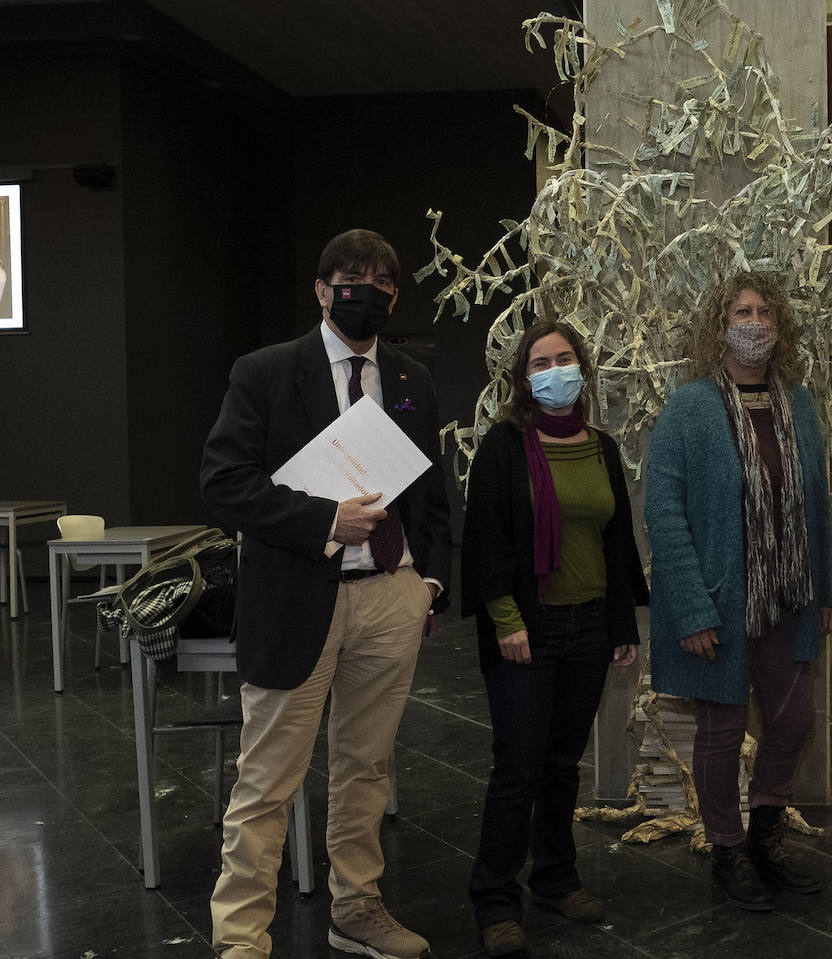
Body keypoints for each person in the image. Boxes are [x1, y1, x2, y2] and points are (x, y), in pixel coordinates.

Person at [201, 229, 451, 959]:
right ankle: (241, 938)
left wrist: (425, 584)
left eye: (379, 279)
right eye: (349, 277)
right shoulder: (266, 372)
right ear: (321, 289)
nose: (363, 289)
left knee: (367, 768)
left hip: (389, 598)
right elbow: (223, 482)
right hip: (294, 599)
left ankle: (356, 908)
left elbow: (432, 492)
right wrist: (324, 520)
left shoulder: (409, 377)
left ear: (396, 295)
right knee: (268, 781)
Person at [460, 319, 648, 957]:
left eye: (565, 358)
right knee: (518, 769)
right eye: (541, 362)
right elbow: (484, 543)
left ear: (583, 369)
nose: (555, 370)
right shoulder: (503, 447)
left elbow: (616, 542)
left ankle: (556, 878)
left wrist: (622, 625)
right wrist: (507, 621)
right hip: (528, 632)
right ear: (523, 378)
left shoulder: (601, 447)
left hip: (591, 627)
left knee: (563, 765)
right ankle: (493, 898)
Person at [645, 271, 832, 912]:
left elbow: (817, 509)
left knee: (794, 721)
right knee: (721, 735)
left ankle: (765, 838)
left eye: (763, 313)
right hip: (721, 604)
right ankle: (726, 847)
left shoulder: (800, 405)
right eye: (740, 312)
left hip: (788, 598)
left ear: (780, 327)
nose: (753, 323)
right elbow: (664, 513)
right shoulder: (689, 406)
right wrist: (693, 607)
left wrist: (825, 594)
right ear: (719, 326)